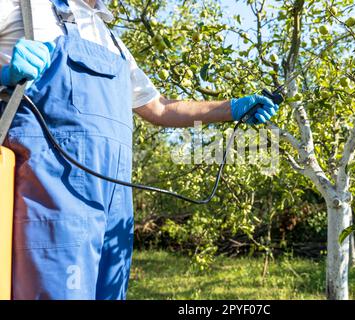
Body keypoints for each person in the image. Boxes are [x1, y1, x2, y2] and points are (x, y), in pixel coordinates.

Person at [0, 0, 279, 300]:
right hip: (51, 199)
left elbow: (160, 108)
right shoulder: (22, 7)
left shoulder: (112, 41)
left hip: (114, 207)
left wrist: (232, 109)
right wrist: (4, 76)